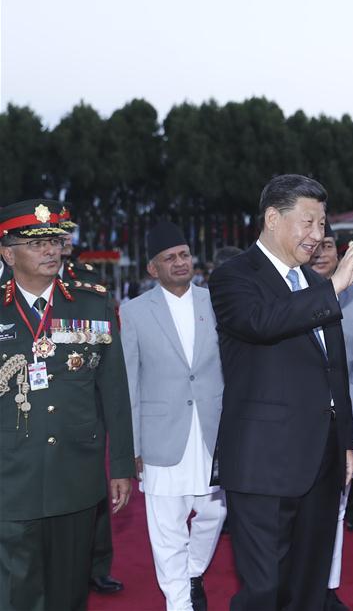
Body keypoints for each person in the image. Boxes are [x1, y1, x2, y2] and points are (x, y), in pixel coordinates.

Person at [208, 174, 353, 610]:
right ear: (273, 218)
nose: (318, 236)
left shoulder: (316, 286)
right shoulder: (232, 277)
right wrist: (333, 287)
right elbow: (263, 323)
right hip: (264, 462)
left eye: (323, 225)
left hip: (322, 458)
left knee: (310, 585)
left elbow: (336, 370)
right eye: (309, 223)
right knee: (264, 589)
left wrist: (346, 441)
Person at [0, 199, 134, 611]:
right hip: (10, 476)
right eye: (36, 244)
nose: (51, 251)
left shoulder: (92, 303)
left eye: (55, 241)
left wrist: (123, 466)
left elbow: (114, 390)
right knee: (15, 592)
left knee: (69, 592)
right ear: (8, 252)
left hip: (76, 475)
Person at [119, 221, 227, 611]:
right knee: (166, 529)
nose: (180, 262)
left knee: (215, 511)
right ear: (153, 268)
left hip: (212, 432)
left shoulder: (216, 301)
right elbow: (129, 381)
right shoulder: (133, 312)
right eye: (170, 258)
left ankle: (193, 571)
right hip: (161, 435)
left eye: (184, 255)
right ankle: (179, 603)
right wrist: (132, 445)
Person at [55, 204, 123, 595]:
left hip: (85, 395)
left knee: (91, 484)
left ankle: (97, 563)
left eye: (66, 233)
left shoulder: (88, 281)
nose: (63, 240)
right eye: (55, 233)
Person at [311, 223, 353, 610]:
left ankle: (328, 587)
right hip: (300, 420)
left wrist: (343, 403)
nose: (320, 253)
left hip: (346, 419)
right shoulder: (292, 295)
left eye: (327, 247)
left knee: (336, 509)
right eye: (313, 247)